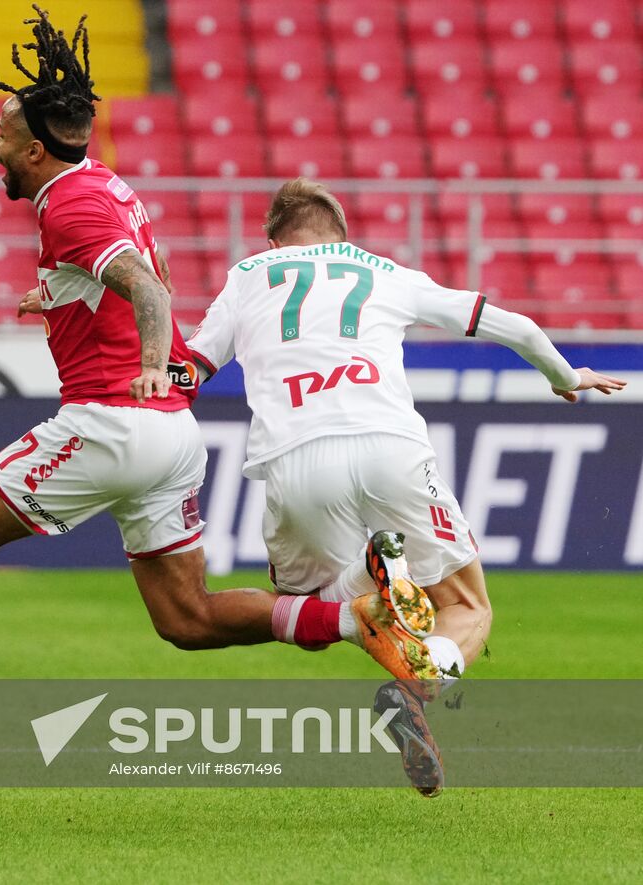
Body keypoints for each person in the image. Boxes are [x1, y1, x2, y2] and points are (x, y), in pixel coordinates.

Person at [0, 9, 435, 776]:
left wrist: (152, 358)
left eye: (2, 135)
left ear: (35, 147)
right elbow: (126, 277)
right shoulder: (105, 186)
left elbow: (147, 287)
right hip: (169, 437)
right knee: (185, 618)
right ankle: (355, 619)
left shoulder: (72, 204)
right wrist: (58, 295)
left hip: (113, 420)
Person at [182, 178, 627, 792]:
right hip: (392, 447)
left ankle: (372, 575)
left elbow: (188, 369)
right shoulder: (384, 272)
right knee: (467, 605)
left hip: (293, 457)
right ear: (342, 237)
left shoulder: (248, 274)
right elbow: (518, 327)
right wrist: (564, 375)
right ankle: (412, 688)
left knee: (310, 617)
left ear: (274, 239)